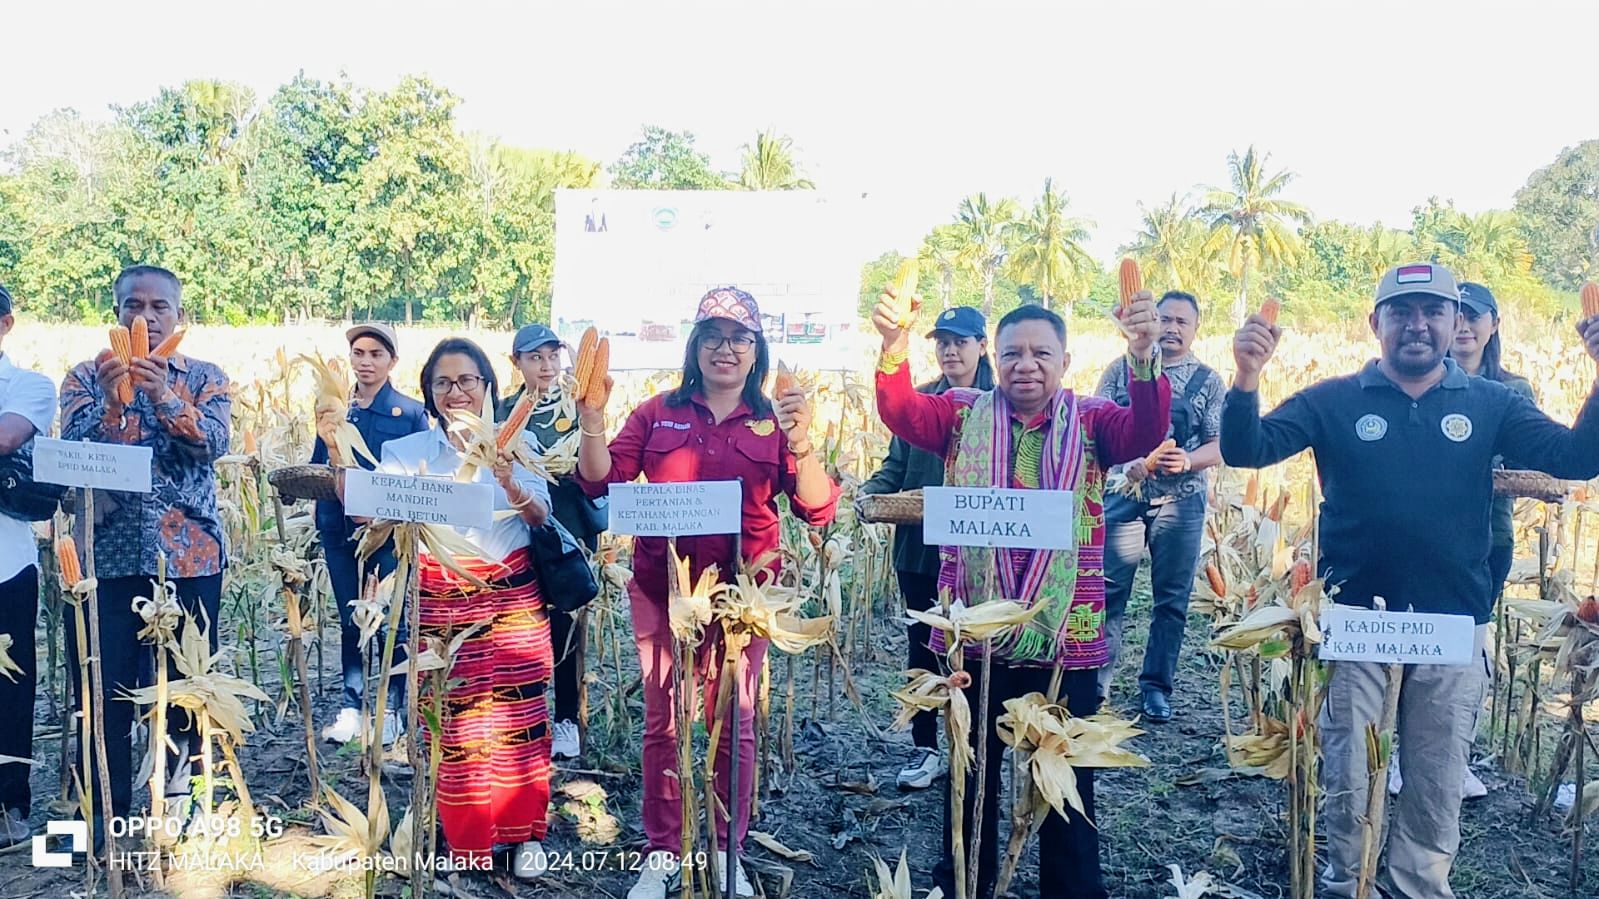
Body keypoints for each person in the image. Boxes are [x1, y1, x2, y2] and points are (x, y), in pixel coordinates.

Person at [1220, 262, 1599, 899]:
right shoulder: (1331, 399)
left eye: (1433, 312)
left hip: (1452, 621)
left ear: (1457, 323)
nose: (1417, 325)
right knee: (1347, 765)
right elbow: (1246, 450)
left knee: (1437, 767)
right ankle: (1350, 879)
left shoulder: (1495, 404)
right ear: (1376, 323)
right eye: (1401, 312)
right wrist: (1248, 376)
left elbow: (1578, 457)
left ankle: (1419, 883)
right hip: (1356, 617)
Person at [871, 291, 1170, 899]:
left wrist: (1143, 354)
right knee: (971, 769)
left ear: (1065, 359)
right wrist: (894, 344)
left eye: (1041, 353)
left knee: (1066, 774)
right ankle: (964, 880)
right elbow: (902, 411)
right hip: (976, 629)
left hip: (1064, 632)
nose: (1025, 364)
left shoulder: (1090, 420)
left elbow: (1146, 429)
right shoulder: (960, 413)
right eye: (1013, 353)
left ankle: (1072, 888)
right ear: (995, 358)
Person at [575, 286, 840, 899]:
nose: (726, 349)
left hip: (745, 595)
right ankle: (664, 850)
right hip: (661, 586)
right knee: (665, 720)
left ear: (756, 351)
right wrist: (592, 422)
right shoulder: (655, 412)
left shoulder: (774, 421)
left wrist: (801, 443)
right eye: (714, 337)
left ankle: (728, 851)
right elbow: (597, 482)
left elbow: (818, 508)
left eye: (740, 338)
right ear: (696, 347)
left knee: (736, 720)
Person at [361, 337, 554, 879]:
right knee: (452, 722)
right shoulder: (408, 453)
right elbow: (380, 518)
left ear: (489, 387)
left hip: (512, 600)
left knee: (518, 718)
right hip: (439, 602)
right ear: (429, 394)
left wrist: (507, 473)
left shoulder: (523, 444)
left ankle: (525, 834)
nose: (456, 391)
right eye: (443, 383)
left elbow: (540, 517)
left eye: (467, 380)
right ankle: (463, 834)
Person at [58, 265, 231, 828]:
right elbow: (73, 456)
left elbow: (213, 445)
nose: (146, 317)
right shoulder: (85, 377)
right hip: (106, 559)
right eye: (134, 305)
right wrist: (113, 402)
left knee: (187, 688)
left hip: (191, 557)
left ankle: (183, 813)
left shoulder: (205, 376)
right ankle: (101, 817)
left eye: (160, 307)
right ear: (116, 314)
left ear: (179, 316)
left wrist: (162, 397)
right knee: (103, 693)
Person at [857, 306, 994, 789]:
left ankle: (975, 747)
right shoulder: (919, 405)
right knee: (923, 649)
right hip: (920, 551)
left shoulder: (1002, 403)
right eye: (942, 342)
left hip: (985, 557)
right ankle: (926, 749)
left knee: (979, 650)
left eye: (960, 341)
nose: (950, 350)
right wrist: (871, 492)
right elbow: (896, 465)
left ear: (982, 344)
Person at [1096, 290, 1225, 722]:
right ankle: (1098, 683)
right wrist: (1126, 460)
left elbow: (1219, 443)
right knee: (1109, 591)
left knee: (1171, 599)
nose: (1171, 328)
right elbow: (1097, 429)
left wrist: (1188, 459)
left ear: (1195, 329)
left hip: (1181, 501)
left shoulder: (1207, 380)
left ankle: (1156, 686)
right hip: (1123, 497)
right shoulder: (1118, 372)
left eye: (1181, 322)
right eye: (1164, 319)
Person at [311, 323, 429, 746]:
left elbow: (422, 474)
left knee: (388, 617)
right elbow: (319, 465)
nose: (366, 362)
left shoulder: (411, 413)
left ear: (392, 361)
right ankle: (352, 705)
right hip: (338, 526)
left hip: (387, 533)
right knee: (350, 614)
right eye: (359, 353)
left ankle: (393, 706)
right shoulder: (336, 409)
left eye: (376, 354)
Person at [501, 323, 607, 761]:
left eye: (552, 356)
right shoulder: (504, 410)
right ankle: (518, 713)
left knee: (565, 624)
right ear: (517, 364)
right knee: (517, 625)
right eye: (534, 358)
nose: (546, 366)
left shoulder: (578, 405)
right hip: (520, 522)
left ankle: (565, 717)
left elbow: (594, 462)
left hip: (567, 522)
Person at [0, 283, 56, 846]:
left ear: (6, 325)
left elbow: (7, 435)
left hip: (6, 563)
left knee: (9, 684)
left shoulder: (28, 386)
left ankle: (11, 804)